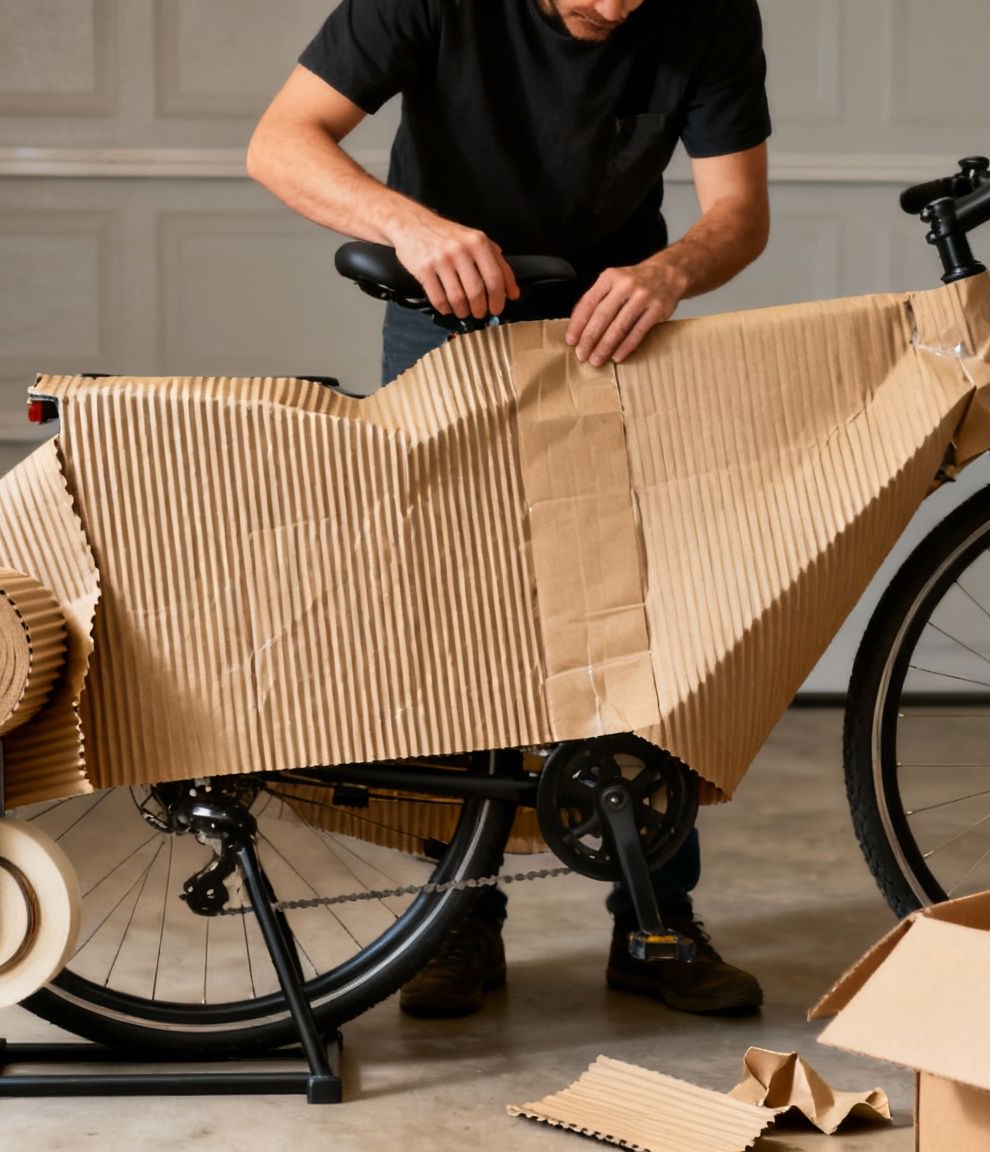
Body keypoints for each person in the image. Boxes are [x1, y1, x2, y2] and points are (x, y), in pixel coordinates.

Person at [248, 0, 772, 1018]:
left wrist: (668, 272)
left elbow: (737, 212)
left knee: (642, 618)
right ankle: (457, 917)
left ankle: (655, 922)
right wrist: (410, 225)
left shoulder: (706, 10)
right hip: (445, 323)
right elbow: (279, 141)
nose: (616, 11)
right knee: (461, 623)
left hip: (611, 324)